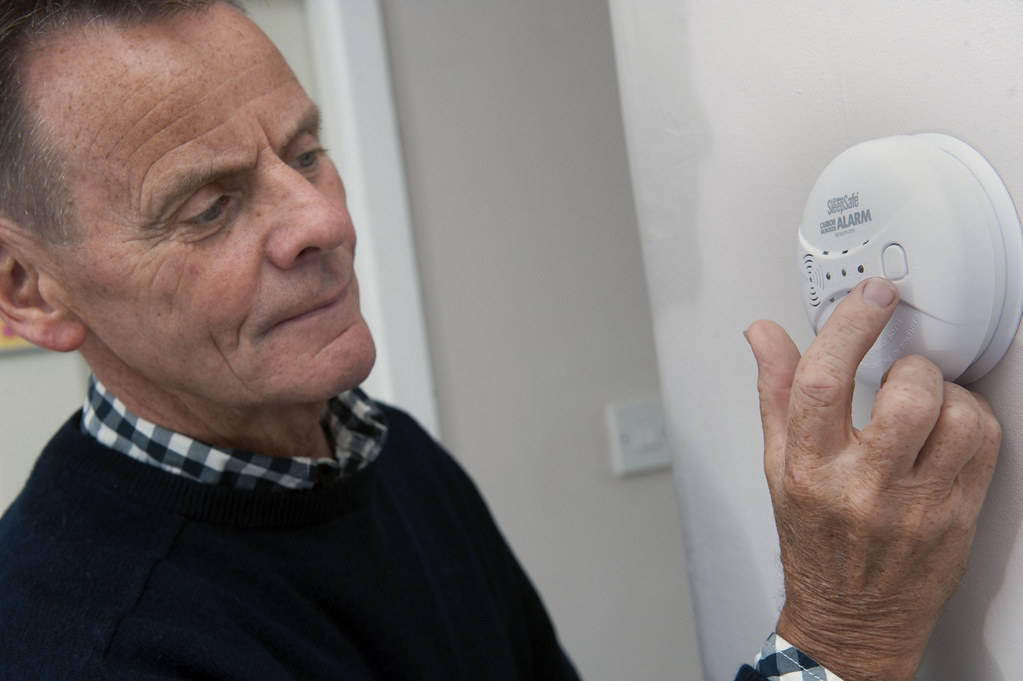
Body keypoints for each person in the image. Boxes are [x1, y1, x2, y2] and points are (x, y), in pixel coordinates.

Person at [0, 1, 1000, 680]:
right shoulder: (81, 648)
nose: (321, 221)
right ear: (28, 291)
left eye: (307, 151)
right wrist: (840, 640)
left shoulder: (387, 459)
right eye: (211, 206)